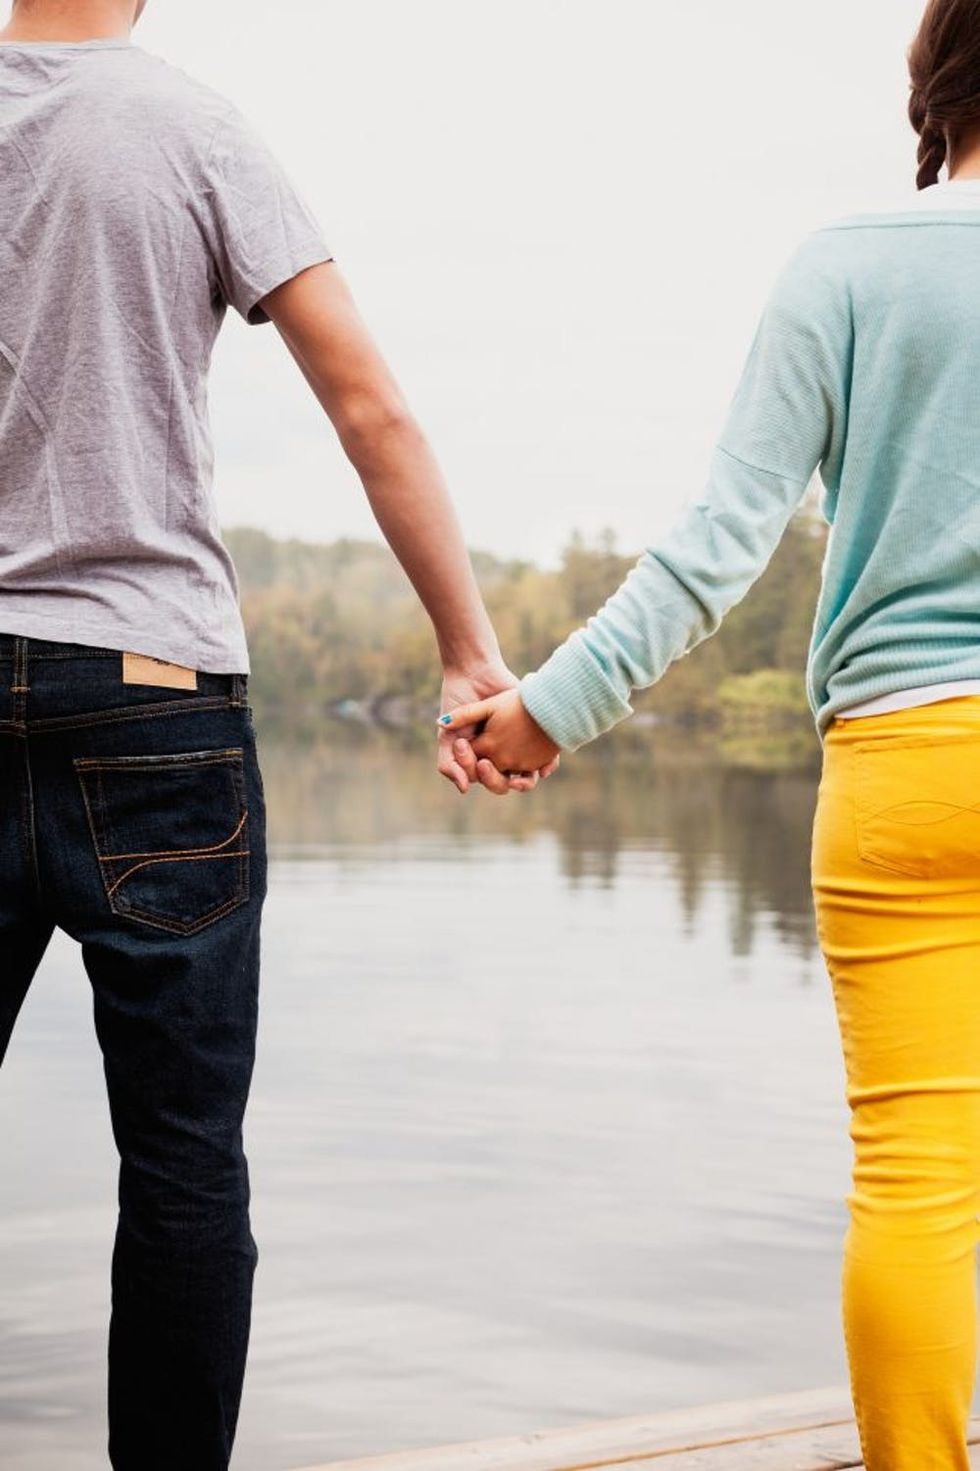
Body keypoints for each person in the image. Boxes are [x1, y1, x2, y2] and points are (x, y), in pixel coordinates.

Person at [0, 2, 556, 1468]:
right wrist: (470, 654)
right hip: (154, 692)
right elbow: (368, 406)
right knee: (182, 1164)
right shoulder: (190, 128)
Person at [443, 1, 980, 1465]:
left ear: (938, 86)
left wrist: (550, 710)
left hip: (905, 774)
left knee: (921, 1180)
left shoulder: (847, 266)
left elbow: (717, 547)